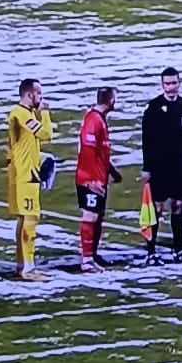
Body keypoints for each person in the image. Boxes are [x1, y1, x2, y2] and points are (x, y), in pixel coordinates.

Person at [140, 67, 182, 263]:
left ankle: (178, 249)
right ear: (162, 85)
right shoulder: (154, 107)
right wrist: (147, 167)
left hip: (180, 163)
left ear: (179, 83)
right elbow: (146, 139)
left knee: (179, 205)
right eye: (167, 83)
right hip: (159, 165)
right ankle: (151, 252)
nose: (171, 87)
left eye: (174, 83)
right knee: (157, 208)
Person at [6, 79, 54, 281]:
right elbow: (46, 135)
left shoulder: (24, 114)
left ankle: (22, 265)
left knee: (24, 220)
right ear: (29, 94)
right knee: (31, 219)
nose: (41, 97)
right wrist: (45, 113)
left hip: (25, 173)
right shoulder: (21, 114)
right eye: (39, 93)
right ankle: (28, 268)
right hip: (26, 175)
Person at [76, 87, 121, 272]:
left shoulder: (99, 119)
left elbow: (101, 152)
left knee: (98, 216)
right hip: (90, 179)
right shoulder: (93, 120)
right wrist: (91, 180)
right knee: (91, 215)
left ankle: (92, 255)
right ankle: (86, 260)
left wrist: (112, 171)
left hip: (99, 177)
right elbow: (88, 152)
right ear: (110, 101)